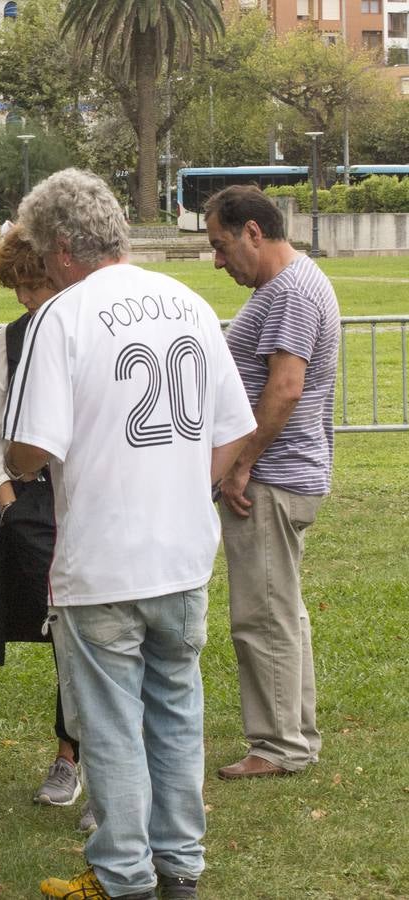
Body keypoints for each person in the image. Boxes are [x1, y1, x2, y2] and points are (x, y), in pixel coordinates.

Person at [2, 170, 255, 900]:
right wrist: (182, 484)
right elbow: (232, 431)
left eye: (45, 252)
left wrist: (20, 457)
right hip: (179, 553)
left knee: (110, 724)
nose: (45, 266)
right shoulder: (191, 303)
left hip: (103, 559)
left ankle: (124, 874)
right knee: (177, 711)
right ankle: (180, 865)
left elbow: (30, 452)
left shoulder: (63, 317)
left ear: (65, 248)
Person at [203, 185, 341, 782]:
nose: (216, 259)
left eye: (219, 245)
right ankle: (293, 735)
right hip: (279, 475)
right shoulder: (289, 286)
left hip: (272, 480)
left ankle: (280, 745)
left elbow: (284, 389)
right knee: (280, 609)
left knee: (262, 614)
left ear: (253, 233)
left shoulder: (289, 293)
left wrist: (240, 464)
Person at [0, 225, 94, 830]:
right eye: (17, 287)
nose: (27, 299)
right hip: (35, 507)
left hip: (97, 502)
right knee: (67, 636)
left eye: (36, 283)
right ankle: (69, 754)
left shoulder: (95, 330)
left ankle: (112, 757)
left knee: (104, 630)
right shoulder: (7, 344)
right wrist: (11, 502)